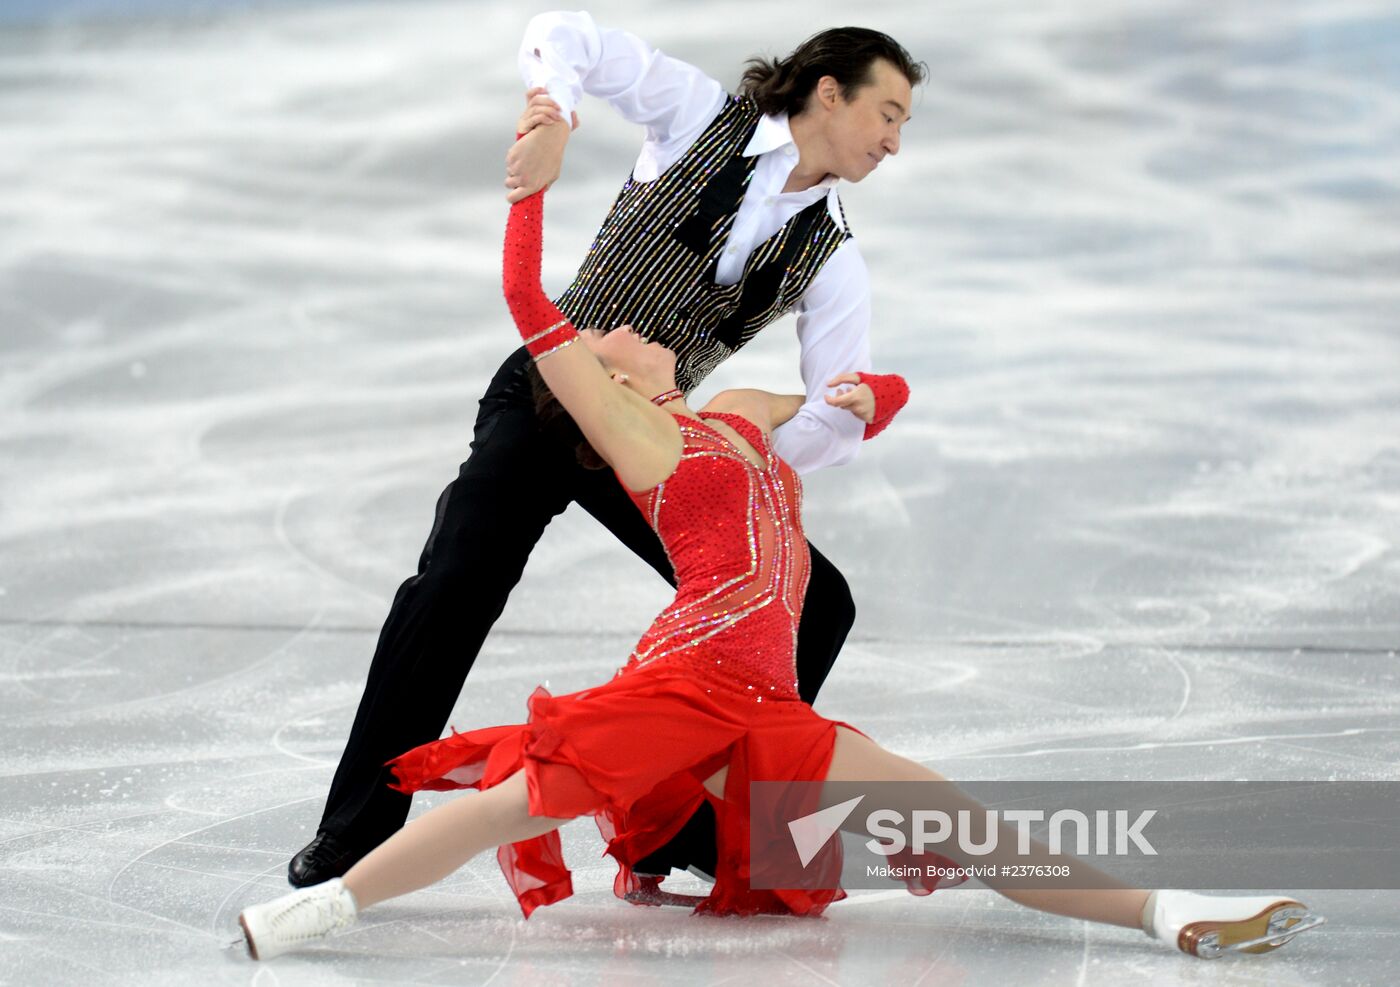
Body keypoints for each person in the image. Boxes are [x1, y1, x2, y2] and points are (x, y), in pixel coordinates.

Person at [239, 182, 1324, 962]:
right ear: (601, 385)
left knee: (951, 813)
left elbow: (858, 398)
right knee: (502, 812)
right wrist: (529, 194)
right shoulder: (640, 440)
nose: (628, 324)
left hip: (760, 700)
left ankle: (1162, 913)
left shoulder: (734, 414)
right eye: (611, 335)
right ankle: (317, 908)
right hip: (675, 689)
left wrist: (868, 397)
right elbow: (533, 310)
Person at [290, 14, 924, 888]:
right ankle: (356, 832)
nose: (894, 140)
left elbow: (819, 432)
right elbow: (569, 32)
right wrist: (551, 113)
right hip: (549, 395)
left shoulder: (834, 256)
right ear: (828, 92)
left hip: (645, 440)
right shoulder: (701, 114)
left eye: (903, 124)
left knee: (821, 605)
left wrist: (851, 413)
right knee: (451, 586)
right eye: (887, 113)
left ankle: (683, 827)